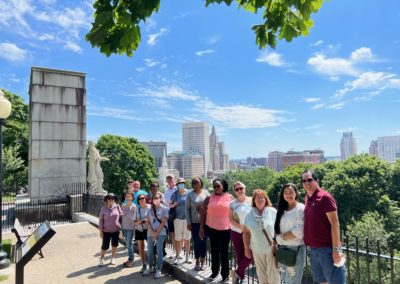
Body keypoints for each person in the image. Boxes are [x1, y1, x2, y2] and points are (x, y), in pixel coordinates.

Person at [301, 170, 346, 284]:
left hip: (327, 249)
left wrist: (336, 250)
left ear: (317, 180)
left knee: (336, 282)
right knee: (322, 281)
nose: (307, 182)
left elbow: (335, 224)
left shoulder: (325, 197)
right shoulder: (307, 198)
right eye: (304, 180)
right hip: (314, 249)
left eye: (309, 179)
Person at [243, 190, 280, 284]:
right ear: (254, 200)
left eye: (262, 197)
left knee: (274, 275)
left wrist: (277, 243)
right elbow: (246, 232)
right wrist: (246, 248)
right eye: (257, 197)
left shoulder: (272, 212)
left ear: (266, 199)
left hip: (271, 249)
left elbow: (278, 229)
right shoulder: (249, 215)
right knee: (261, 275)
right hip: (257, 249)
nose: (260, 199)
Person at [200, 178, 233, 283]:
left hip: (226, 229)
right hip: (212, 228)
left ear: (223, 186)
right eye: (214, 186)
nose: (216, 188)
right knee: (214, 251)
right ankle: (214, 273)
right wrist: (201, 228)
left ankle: (225, 275)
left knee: (224, 252)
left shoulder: (230, 197)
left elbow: (235, 213)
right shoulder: (209, 198)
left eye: (218, 186)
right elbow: (203, 214)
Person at [274, 183, 306, 284]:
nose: (289, 195)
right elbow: (276, 227)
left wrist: (280, 238)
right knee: (284, 280)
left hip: (295, 250)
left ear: (296, 193)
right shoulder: (281, 210)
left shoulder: (300, 208)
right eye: (286, 192)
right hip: (283, 250)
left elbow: (299, 231)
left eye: (291, 192)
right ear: (282, 195)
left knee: (293, 281)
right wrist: (278, 240)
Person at [229, 182, 252, 284]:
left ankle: (237, 273)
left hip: (251, 232)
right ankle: (242, 278)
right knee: (240, 255)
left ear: (245, 188)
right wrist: (241, 227)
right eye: (237, 189)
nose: (239, 190)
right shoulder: (232, 204)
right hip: (236, 232)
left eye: (241, 188)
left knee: (250, 255)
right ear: (235, 192)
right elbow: (230, 219)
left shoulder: (252, 200)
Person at [185, 177, 210, 271]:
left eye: (197, 182)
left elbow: (210, 205)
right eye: (194, 183)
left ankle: (203, 262)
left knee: (204, 242)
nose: (196, 184)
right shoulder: (190, 194)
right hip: (195, 222)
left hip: (206, 222)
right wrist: (188, 222)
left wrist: (203, 209)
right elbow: (187, 209)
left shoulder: (206, 192)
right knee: (197, 242)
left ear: (201, 183)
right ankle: (197, 262)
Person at [143, 192, 168, 279]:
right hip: (150, 232)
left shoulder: (164, 208)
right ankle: (150, 267)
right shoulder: (149, 209)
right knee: (149, 250)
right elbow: (148, 221)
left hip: (161, 232)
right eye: (154, 198)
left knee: (159, 251)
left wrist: (156, 233)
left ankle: (158, 269)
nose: (156, 200)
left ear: (160, 199)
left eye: (157, 198)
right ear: (152, 200)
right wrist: (152, 232)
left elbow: (164, 222)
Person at [170, 178, 191, 265]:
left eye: (182, 183)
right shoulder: (175, 194)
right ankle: (178, 255)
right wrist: (173, 204)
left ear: (184, 183)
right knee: (178, 238)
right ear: (177, 185)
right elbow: (170, 205)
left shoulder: (189, 193)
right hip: (177, 218)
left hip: (187, 219)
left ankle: (187, 256)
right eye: (179, 183)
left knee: (187, 238)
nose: (180, 184)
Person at [98, 193, 122, 266]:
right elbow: (101, 221)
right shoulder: (103, 209)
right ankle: (101, 259)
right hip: (106, 231)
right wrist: (101, 231)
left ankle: (112, 258)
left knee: (114, 245)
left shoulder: (117, 207)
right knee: (104, 246)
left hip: (116, 230)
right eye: (109, 198)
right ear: (106, 200)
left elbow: (121, 216)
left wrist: (119, 225)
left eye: (112, 198)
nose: (111, 200)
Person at [133, 193, 151, 273]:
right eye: (140, 199)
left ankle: (152, 264)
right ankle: (144, 264)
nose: (142, 199)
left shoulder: (150, 207)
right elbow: (134, 221)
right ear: (138, 201)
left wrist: (143, 221)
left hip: (149, 230)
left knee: (151, 248)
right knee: (141, 248)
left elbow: (151, 219)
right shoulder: (137, 209)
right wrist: (143, 221)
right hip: (139, 230)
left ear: (145, 199)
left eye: (143, 198)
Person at [121, 192, 136, 268]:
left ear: (132, 197)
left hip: (130, 227)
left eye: (129, 196)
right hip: (124, 227)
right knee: (127, 244)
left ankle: (131, 259)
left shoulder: (134, 206)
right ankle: (130, 258)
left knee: (129, 244)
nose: (127, 198)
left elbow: (135, 217)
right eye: (127, 196)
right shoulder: (123, 206)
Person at [164, 174, 177, 258]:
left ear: (174, 179)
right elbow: (166, 204)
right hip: (170, 214)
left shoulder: (178, 189)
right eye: (168, 179)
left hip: (178, 213)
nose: (169, 180)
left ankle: (178, 250)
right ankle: (175, 250)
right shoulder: (166, 190)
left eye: (171, 179)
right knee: (172, 233)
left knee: (179, 233)